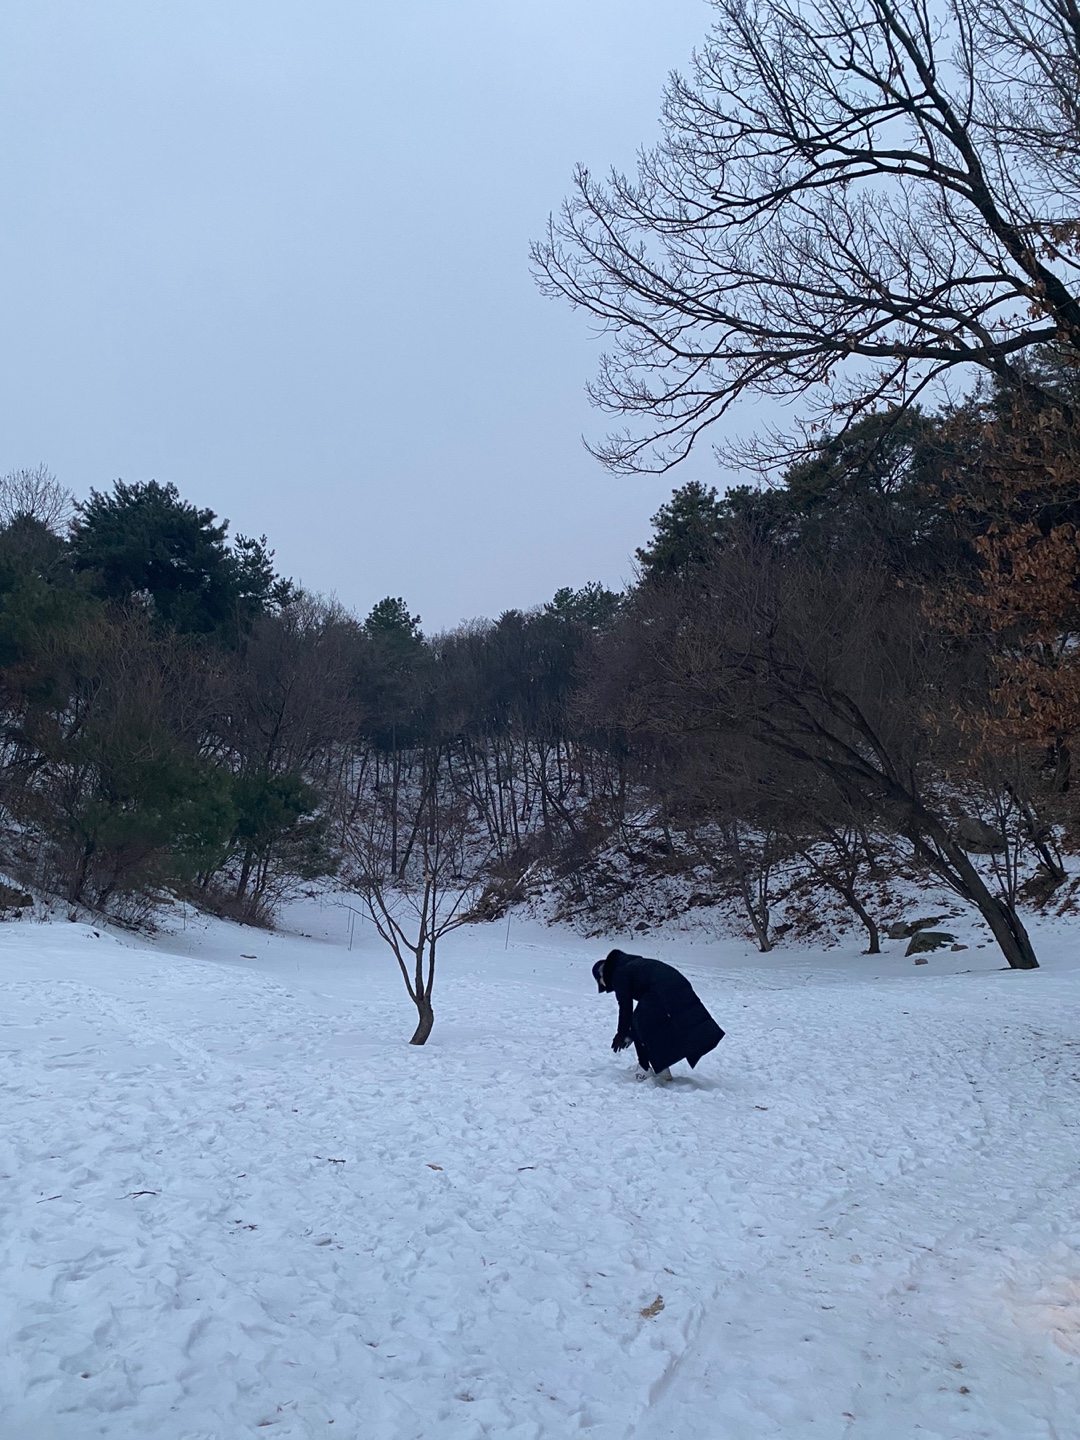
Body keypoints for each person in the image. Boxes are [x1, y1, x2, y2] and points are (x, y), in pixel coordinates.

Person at [592, 949, 724, 1080]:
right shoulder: (629, 965)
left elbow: (625, 1007)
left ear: (602, 976)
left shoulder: (618, 973)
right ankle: (661, 1067)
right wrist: (628, 1033)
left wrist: (622, 1033)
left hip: (662, 990)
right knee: (649, 1023)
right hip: (677, 984)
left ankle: (646, 1068)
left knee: (638, 1021)